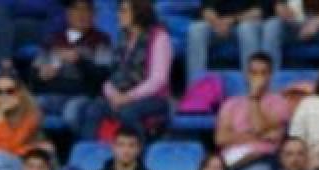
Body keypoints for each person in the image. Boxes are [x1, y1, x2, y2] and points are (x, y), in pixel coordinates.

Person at [79, 0, 172, 141]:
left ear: (138, 13)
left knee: (128, 112)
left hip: (153, 98)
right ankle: (90, 156)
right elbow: (110, 75)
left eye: (123, 11)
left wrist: (128, 97)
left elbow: (158, 80)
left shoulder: (159, 37)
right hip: (120, 96)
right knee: (93, 109)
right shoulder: (121, 38)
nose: (118, 15)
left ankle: (139, 155)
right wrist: (113, 94)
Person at [213, 52, 289, 170]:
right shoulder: (231, 103)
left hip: (259, 162)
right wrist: (257, 136)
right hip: (229, 163)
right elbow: (220, 138)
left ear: (270, 76)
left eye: (263, 73)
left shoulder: (279, 103)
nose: (258, 78)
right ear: (246, 75)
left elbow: (258, 127)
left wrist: (254, 98)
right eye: (253, 73)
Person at [30, 0, 113, 131]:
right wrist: (41, 74)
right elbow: (34, 74)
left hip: (84, 94)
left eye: (85, 10)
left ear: (94, 15)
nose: (81, 15)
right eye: (76, 10)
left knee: (72, 112)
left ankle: (70, 150)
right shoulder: (53, 39)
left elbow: (102, 76)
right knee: (32, 106)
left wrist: (79, 61)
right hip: (54, 92)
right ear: (68, 14)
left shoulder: (101, 40)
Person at [261, 0, 319, 71]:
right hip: (295, 25)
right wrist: (285, 14)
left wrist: (317, 22)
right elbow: (279, 6)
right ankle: (269, 81)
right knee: (272, 25)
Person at [186, 0, 265, 78]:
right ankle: (196, 84)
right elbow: (206, 9)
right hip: (216, 24)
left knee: (246, 29)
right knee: (196, 29)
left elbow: (258, 11)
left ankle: (252, 84)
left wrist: (232, 20)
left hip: (244, 22)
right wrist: (218, 23)